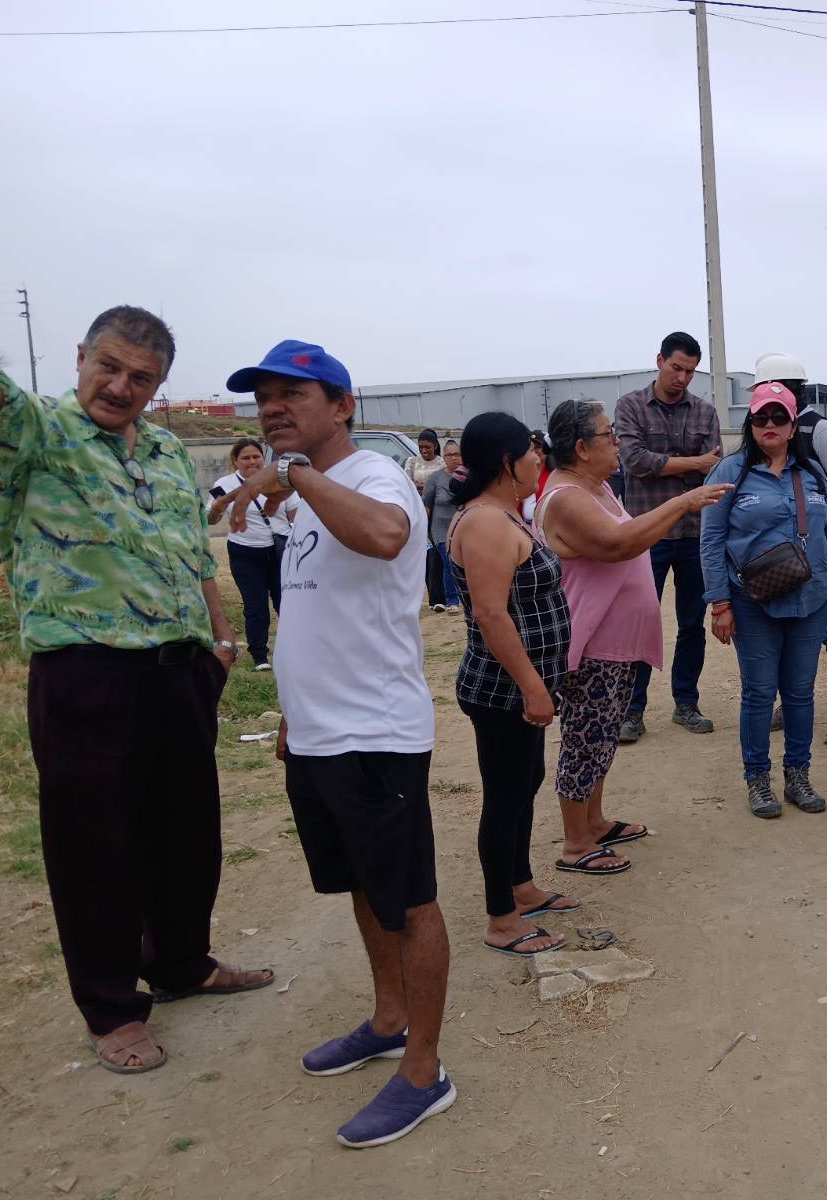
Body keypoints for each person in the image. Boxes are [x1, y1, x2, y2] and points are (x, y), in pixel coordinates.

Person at [0, 307, 269, 1076]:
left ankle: (180, 962)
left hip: (180, 669)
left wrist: (221, 641)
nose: (120, 387)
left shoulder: (169, 450)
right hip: (85, 673)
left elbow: (193, 554)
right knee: (94, 847)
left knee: (187, 833)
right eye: (107, 367)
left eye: (141, 377)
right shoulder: (37, 432)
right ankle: (111, 1007)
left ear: (159, 385)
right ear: (80, 356)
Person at [223, 339, 452, 1148]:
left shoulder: (374, 478)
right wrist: (294, 710)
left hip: (375, 736)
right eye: (264, 398)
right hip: (319, 734)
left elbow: (388, 536)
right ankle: (389, 1020)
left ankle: (424, 1071)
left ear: (343, 406)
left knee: (410, 901)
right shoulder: (311, 497)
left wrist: (292, 476)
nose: (273, 408)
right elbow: (318, 611)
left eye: (293, 394)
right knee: (360, 886)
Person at [536, 400, 730, 866]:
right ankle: (576, 843)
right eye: (609, 435)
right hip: (591, 644)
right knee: (585, 739)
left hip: (614, 643)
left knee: (603, 736)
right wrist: (682, 502)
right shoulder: (566, 497)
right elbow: (618, 544)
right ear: (582, 448)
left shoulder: (597, 486)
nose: (618, 442)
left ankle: (595, 821)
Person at [444, 413, 574, 953]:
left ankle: (521, 886)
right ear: (506, 461)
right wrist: (532, 687)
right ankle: (501, 919)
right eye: (529, 451)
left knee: (526, 782)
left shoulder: (505, 515)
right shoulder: (485, 524)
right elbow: (491, 615)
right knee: (504, 797)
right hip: (503, 689)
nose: (537, 458)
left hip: (521, 685)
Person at [702, 383, 827, 817]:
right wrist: (720, 604)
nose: (769, 425)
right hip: (753, 602)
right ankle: (758, 780)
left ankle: (798, 776)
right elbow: (711, 539)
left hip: (812, 598)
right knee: (758, 693)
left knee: (800, 693)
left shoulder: (812, 473)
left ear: (792, 426)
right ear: (750, 424)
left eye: (778, 417)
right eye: (760, 418)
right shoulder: (730, 472)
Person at [614, 332, 724, 743]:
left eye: (690, 372)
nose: (682, 378)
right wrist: (694, 462)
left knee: (692, 623)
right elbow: (634, 461)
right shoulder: (630, 406)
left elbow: (714, 469)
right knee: (640, 620)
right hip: (647, 532)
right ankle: (632, 710)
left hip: (695, 534)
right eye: (676, 368)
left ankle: (686, 703)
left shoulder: (705, 412)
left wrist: (672, 464)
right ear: (659, 360)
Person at [754, 353, 827, 746]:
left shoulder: (820, 432)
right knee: (787, 633)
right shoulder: (763, 435)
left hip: (820, 556)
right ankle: (793, 703)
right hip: (778, 561)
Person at [208, 437, 298, 670]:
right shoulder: (224, 484)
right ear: (235, 461)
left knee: (286, 602)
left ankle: (294, 649)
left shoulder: (278, 480)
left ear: (263, 457)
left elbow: (295, 516)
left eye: (256, 456)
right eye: (245, 458)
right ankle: (259, 655)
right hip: (245, 551)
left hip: (279, 549)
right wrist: (217, 508)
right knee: (255, 606)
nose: (252, 462)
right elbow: (211, 519)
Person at [406, 429, 448, 611]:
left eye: (427, 447)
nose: (424, 450)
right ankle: (433, 597)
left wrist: (426, 488)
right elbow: (406, 484)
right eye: (421, 447)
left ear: (435, 446)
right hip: (419, 511)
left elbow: (444, 485)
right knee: (426, 554)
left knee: (439, 554)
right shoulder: (412, 462)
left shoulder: (442, 463)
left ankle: (442, 597)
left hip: (438, 514)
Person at [422, 440, 462, 613]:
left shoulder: (468, 477)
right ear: (444, 458)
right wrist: (424, 530)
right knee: (449, 563)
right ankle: (452, 600)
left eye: (457, 454)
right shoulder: (435, 478)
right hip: (441, 529)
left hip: (463, 529)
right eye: (449, 455)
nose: (454, 458)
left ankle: (465, 596)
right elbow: (426, 505)